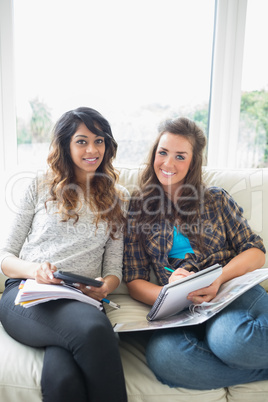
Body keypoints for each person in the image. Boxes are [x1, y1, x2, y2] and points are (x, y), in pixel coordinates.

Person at [123, 116, 268, 390]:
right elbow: (134, 281)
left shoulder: (215, 198)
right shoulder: (138, 208)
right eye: (163, 152)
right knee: (165, 358)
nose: (168, 163)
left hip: (230, 293)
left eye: (180, 156)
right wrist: (174, 294)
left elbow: (255, 251)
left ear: (193, 162)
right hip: (182, 308)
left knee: (233, 341)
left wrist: (218, 279)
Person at [0, 107, 128, 402]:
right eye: (81, 141)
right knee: (96, 332)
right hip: (26, 295)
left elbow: (113, 268)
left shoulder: (119, 197)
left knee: (64, 382)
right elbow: (5, 256)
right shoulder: (40, 184)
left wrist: (104, 286)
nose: (92, 149)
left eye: (99, 140)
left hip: (80, 300)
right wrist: (35, 271)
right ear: (66, 145)